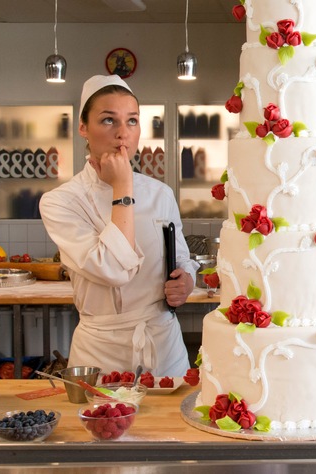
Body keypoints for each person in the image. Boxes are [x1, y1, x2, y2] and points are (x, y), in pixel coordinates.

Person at [40, 75, 198, 376]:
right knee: (104, 423)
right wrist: (123, 187)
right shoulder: (60, 201)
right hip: (101, 351)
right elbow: (112, 269)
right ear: (83, 128)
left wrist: (186, 281)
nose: (123, 134)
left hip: (163, 345)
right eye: (108, 120)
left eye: (133, 121)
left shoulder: (160, 194)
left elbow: (181, 259)